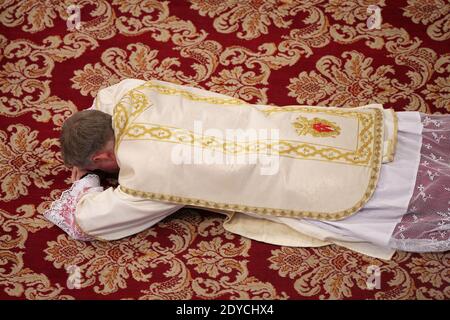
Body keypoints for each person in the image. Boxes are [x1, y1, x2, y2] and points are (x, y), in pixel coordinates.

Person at [44, 79, 450, 259]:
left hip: (293, 180)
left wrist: (89, 183)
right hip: (297, 130)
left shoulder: (146, 177)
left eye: (101, 166)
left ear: (99, 159)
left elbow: (90, 221)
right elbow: (109, 93)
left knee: (344, 183)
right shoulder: (136, 95)